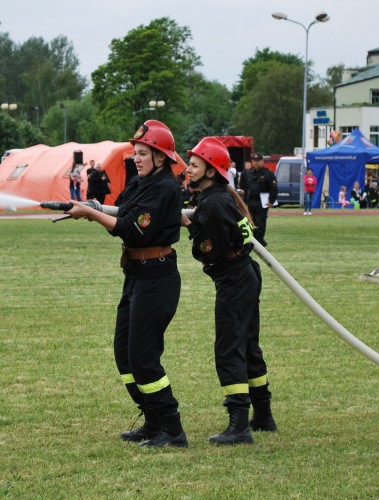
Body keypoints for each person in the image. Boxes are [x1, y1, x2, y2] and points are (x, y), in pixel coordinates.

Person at [66, 120, 187, 448]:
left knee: (143, 356)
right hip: (136, 275)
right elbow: (122, 209)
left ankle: (172, 429)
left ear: (161, 157)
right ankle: (151, 419)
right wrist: (90, 207)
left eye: (143, 153)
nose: (136, 158)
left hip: (158, 277)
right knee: (125, 353)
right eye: (135, 152)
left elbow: (133, 228)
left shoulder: (166, 187)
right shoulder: (139, 183)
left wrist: (91, 215)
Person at [181, 137, 277, 445]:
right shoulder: (221, 198)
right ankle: (263, 414)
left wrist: (192, 228)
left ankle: (239, 424)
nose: (188, 168)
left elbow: (211, 249)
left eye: (194, 165)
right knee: (248, 345)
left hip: (234, 280)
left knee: (229, 348)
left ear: (211, 170)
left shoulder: (214, 203)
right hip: (246, 274)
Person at [239, 152, 278, 246]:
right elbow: (243, 186)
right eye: (254, 160)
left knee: (260, 222)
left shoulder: (267, 173)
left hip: (262, 202)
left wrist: (271, 201)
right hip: (250, 201)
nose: (255, 163)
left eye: (258, 161)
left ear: (262, 161)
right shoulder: (247, 173)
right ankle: (253, 241)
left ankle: (259, 241)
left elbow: (274, 188)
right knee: (250, 222)